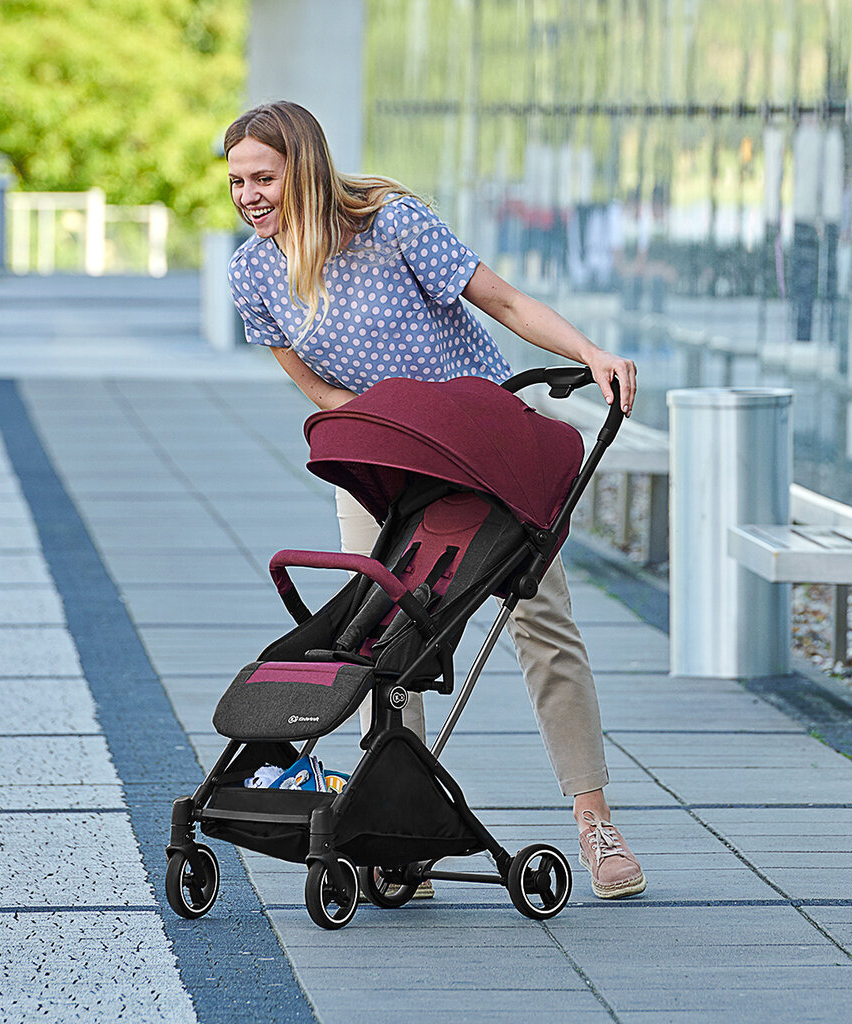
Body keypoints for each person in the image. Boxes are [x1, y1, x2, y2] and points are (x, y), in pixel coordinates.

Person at [224, 100, 645, 900]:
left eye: (264, 177)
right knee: (384, 641)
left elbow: (507, 304)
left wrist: (590, 352)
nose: (248, 194)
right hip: (387, 460)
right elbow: (314, 388)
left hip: (486, 440)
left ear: (304, 168)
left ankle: (595, 821)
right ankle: (398, 833)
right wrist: (372, 429)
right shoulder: (252, 271)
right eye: (237, 180)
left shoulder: (392, 223)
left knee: (541, 621)